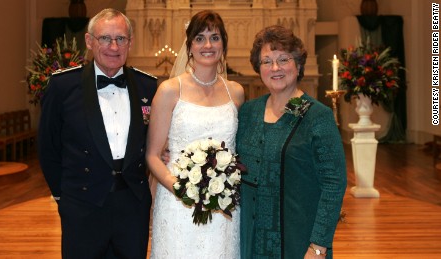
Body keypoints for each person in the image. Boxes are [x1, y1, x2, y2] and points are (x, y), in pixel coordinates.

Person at [38, 8, 157, 259]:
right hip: (82, 204)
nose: (113, 46)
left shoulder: (148, 86)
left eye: (121, 39)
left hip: (132, 206)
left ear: (130, 43)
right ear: (90, 41)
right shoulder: (63, 86)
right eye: (105, 38)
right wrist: (63, 197)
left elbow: (154, 141)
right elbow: (47, 147)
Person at [237, 25, 347, 258]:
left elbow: (334, 184)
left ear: (298, 65)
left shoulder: (317, 116)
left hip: (299, 240)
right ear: (259, 69)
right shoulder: (248, 112)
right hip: (251, 239)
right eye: (266, 61)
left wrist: (318, 246)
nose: (275, 68)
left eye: (283, 59)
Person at [146, 10, 245, 259]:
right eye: (199, 38)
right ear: (189, 46)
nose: (208, 45)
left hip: (223, 206)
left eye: (215, 37)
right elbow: (152, 155)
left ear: (223, 44)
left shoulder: (236, 92)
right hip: (177, 203)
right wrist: (180, 189)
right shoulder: (169, 90)